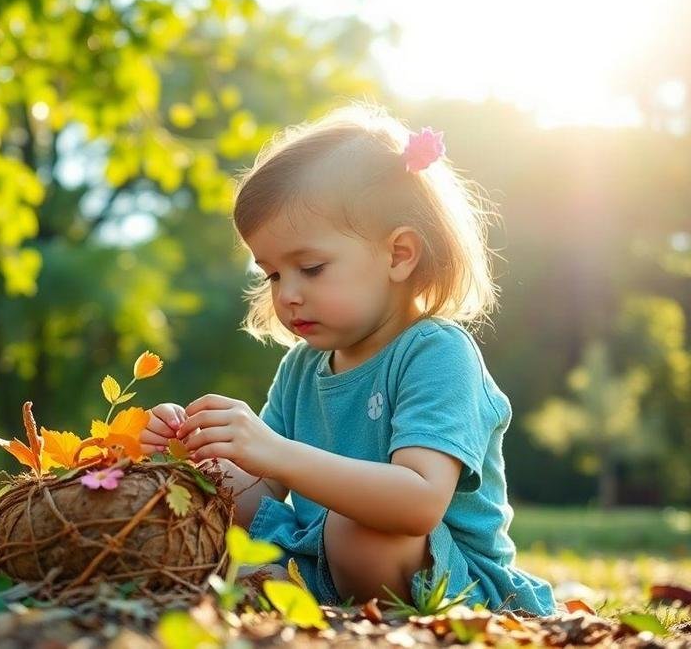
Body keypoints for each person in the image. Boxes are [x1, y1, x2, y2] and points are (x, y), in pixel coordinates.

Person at [141, 101, 556, 615]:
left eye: (310, 267)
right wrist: (202, 450)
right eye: (272, 274)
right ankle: (290, 589)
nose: (287, 294)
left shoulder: (435, 353)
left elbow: (418, 503)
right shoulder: (302, 367)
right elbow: (260, 492)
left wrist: (274, 450)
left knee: (359, 527)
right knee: (221, 510)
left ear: (399, 254)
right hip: (324, 554)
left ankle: (288, 589)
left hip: (448, 574)